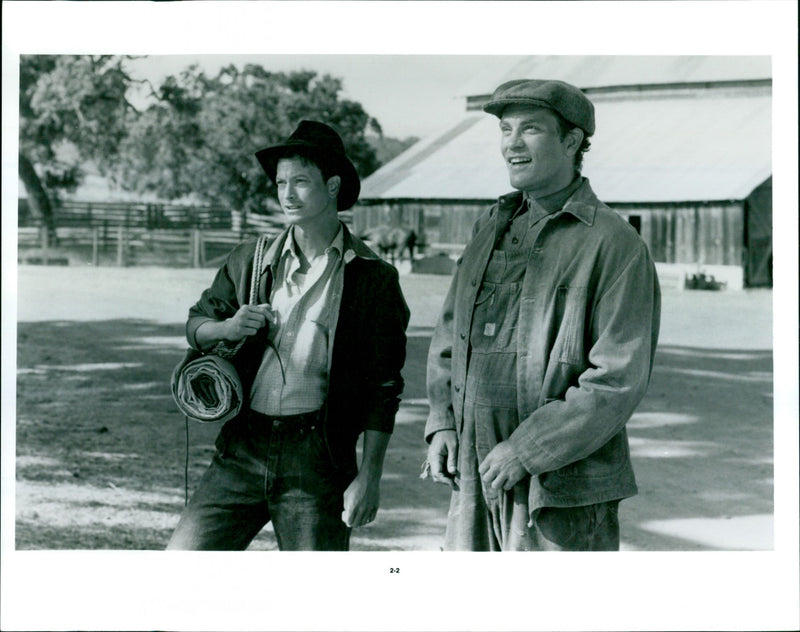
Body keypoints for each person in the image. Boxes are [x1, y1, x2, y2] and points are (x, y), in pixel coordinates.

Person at [423, 80, 661, 551]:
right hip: (475, 469)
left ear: (571, 141)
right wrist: (442, 422)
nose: (511, 143)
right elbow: (451, 333)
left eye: (530, 129)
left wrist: (527, 450)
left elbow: (615, 379)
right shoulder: (489, 227)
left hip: (562, 485)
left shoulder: (614, 243)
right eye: (505, 129)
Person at [168, 120, 409, 550]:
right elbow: (195, 326)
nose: (287, 194)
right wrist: (227, 327)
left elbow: (383, 388)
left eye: (300, 181)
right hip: (241, 450)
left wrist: (368, 477)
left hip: (318, 460)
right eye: (281, 182)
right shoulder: (250, 259)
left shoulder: (373, 279)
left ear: (333, 185)